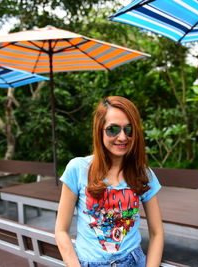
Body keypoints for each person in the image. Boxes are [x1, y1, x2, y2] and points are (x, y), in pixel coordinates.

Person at [55, 96, 164, 267]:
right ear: (99, 130)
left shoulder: (143, 174)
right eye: (113, 129)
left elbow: (157, 233)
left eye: (129, 130)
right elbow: (61, 230)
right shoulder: (78, 169)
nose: (122, 137)